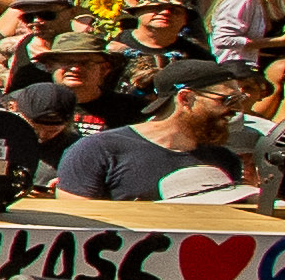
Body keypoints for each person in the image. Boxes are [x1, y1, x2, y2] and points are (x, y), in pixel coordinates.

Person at [50, 64, 255, 209]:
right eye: (227, 100)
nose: (236, 109)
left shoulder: (224, 159)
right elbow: (74, 228)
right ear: (186, 98)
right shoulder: (97, 151)